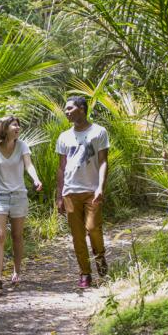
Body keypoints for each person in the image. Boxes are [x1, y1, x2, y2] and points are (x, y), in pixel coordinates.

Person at [0, 115, 43, 291]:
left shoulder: (22, 145)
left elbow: (29, 165)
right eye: (14, 125)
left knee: (17, 236)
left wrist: (36, 179)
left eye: (19, 125)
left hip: (19, 195)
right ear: (4, 128)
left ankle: (17, 271)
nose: (18, 128)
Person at [55, 96, 110, 289]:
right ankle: (85, 273)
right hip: (70, 191)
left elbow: (103, 161)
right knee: (77, 236)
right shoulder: (64, 136)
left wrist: (101, 187)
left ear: (81, 109)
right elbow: (61, 167)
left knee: (93, 228)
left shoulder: (99, 132)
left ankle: (100, 259)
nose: (67, 112)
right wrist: (59, 196)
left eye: (70, 108)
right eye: (66, 109)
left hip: (92, 190)